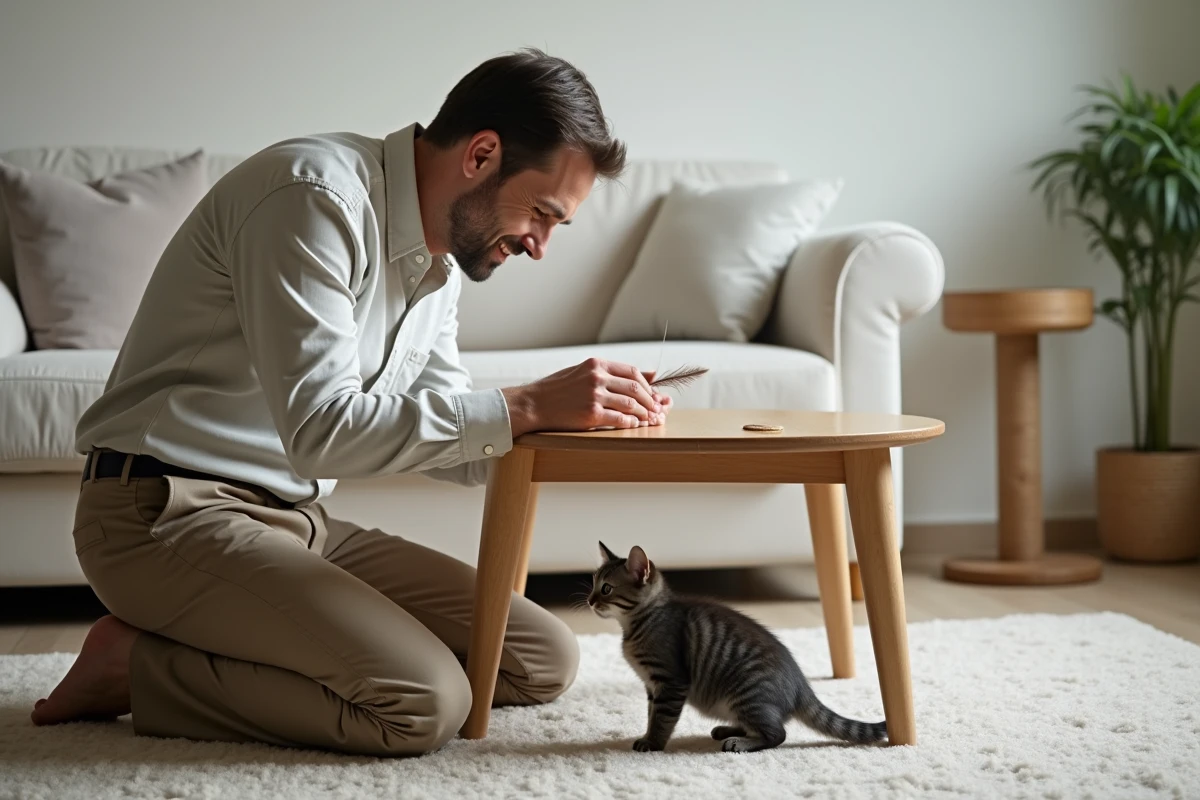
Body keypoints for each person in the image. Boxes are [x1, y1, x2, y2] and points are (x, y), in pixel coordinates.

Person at [30, 48, 673, 757]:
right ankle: (136, 669)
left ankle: (266, 642)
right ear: (482, 153)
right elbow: (322, 430)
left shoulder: (438, 266)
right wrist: (523, 404)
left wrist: (578, 426)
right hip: (161, 512)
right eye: (543, 214)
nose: (542, 245)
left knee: (538, 658)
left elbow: (451, 440)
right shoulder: (311, 196)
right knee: (422, 704)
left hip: (296, 519)